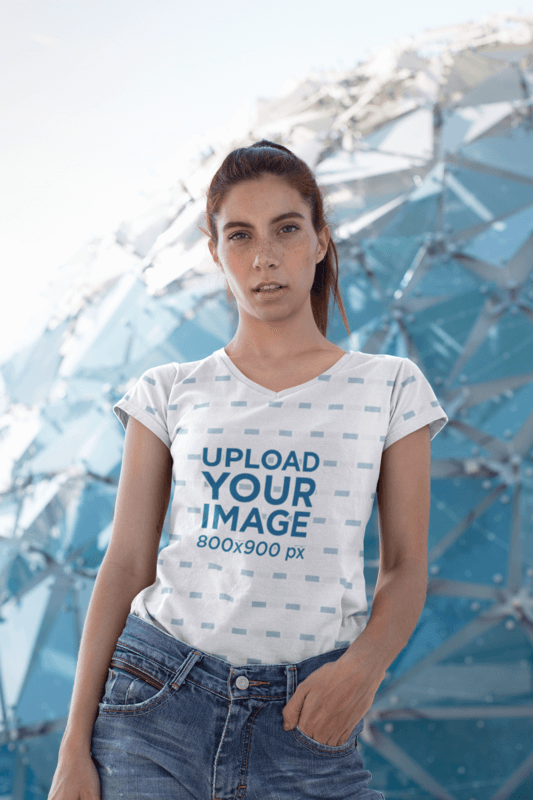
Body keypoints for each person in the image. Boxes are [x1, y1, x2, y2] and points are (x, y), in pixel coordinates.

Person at [48, 140, 448, 800]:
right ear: (215, 253)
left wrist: (363, 668)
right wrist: (73, 746)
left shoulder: (389, 387)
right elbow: (124, 564)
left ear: (320, 240)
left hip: (306, 720)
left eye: (286, 229)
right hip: (154, 705)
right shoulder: (168, 389)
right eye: (239, 236)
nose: (263, 256)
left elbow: (405, 567)